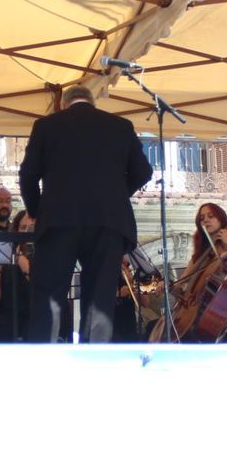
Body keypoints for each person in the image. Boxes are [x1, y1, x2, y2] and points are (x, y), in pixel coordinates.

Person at [19, 83, 152, 342]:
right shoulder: (120, 126)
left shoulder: (47, 126)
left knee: (50, 295)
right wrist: (114, 197)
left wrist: (37, 210)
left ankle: (43, 355)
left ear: (63, 104)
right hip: (108, 222)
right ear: (92, 102)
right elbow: (143, 172)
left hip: (58, 221)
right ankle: (95, 361)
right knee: (100, 298)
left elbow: (28, 175)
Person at [0, 210, 35, 343]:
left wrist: (24, 266)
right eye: (23, 228)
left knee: (35, 331)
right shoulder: (8, 256)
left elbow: (42, 291)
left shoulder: (49, 255)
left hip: (37, 313)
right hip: (9, 315)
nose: (27, 232)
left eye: (32, 228)